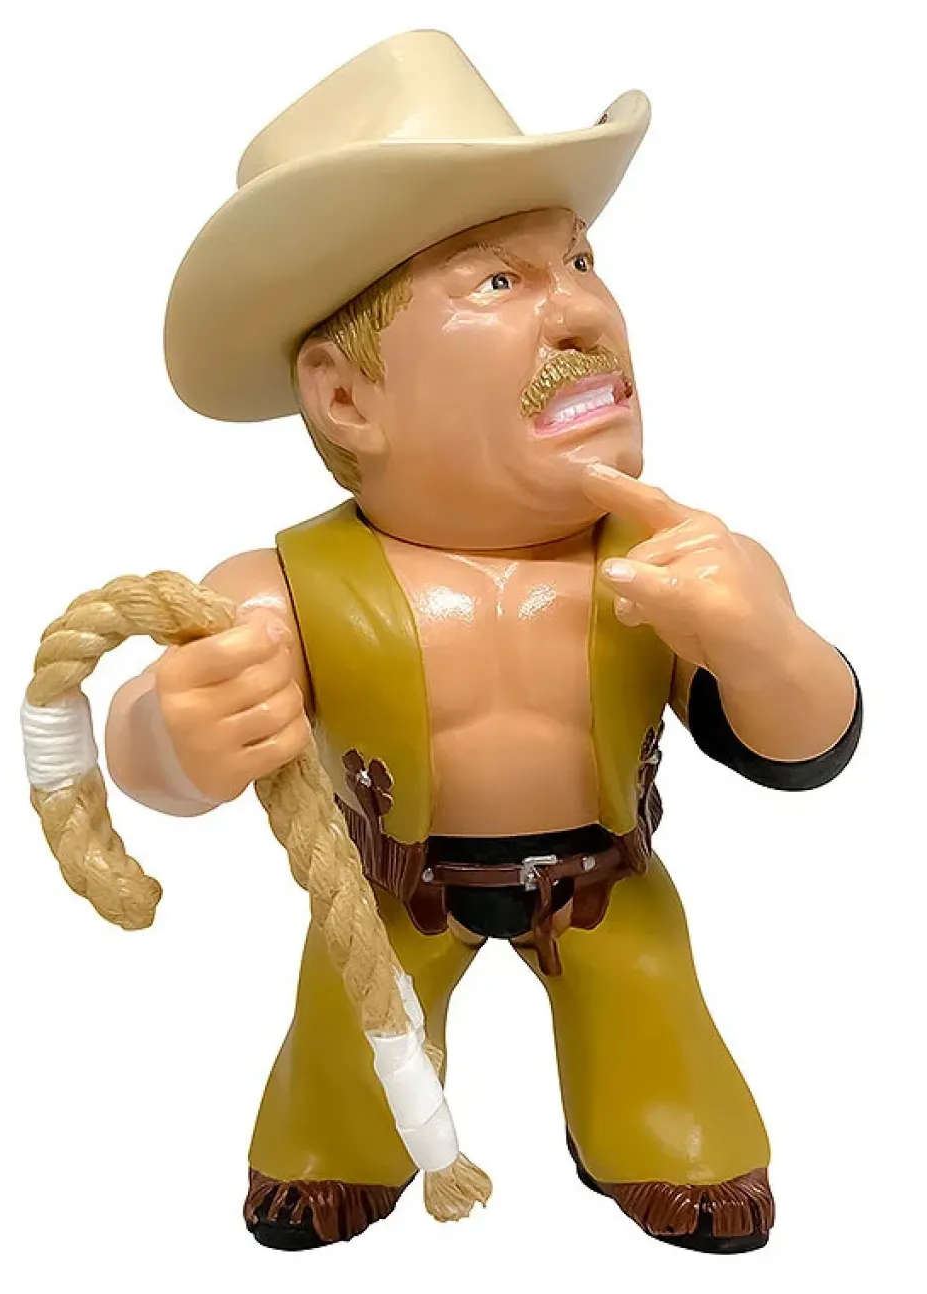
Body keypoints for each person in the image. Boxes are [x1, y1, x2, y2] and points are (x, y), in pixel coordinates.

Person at [104, 30, 861, 1253]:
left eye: (581, 259)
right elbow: (149, 736)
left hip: (607, 881)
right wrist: (177, 731)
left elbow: (805, 744)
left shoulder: (673, 560)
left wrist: (764, 650)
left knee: (656, 1020)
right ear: (345, 397)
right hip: (390, 890)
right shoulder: (283, 586)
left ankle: (652, 1124)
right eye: (500, 283)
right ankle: (338, 1143)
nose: (582, 309)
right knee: (352, 1034)